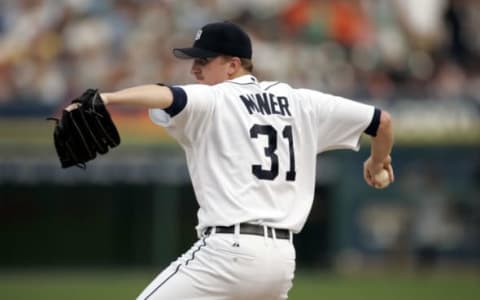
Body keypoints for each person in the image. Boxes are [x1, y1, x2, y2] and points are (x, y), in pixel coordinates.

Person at [96, 21, 394, 300]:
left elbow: (166, 95)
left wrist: (108, 98)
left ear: (233, 65)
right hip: (280, 260)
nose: (195, 70)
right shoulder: (302, 102)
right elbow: (382, 122)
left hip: (228, 253)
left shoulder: (216, 98)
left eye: (204, 61)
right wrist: (377, 162)